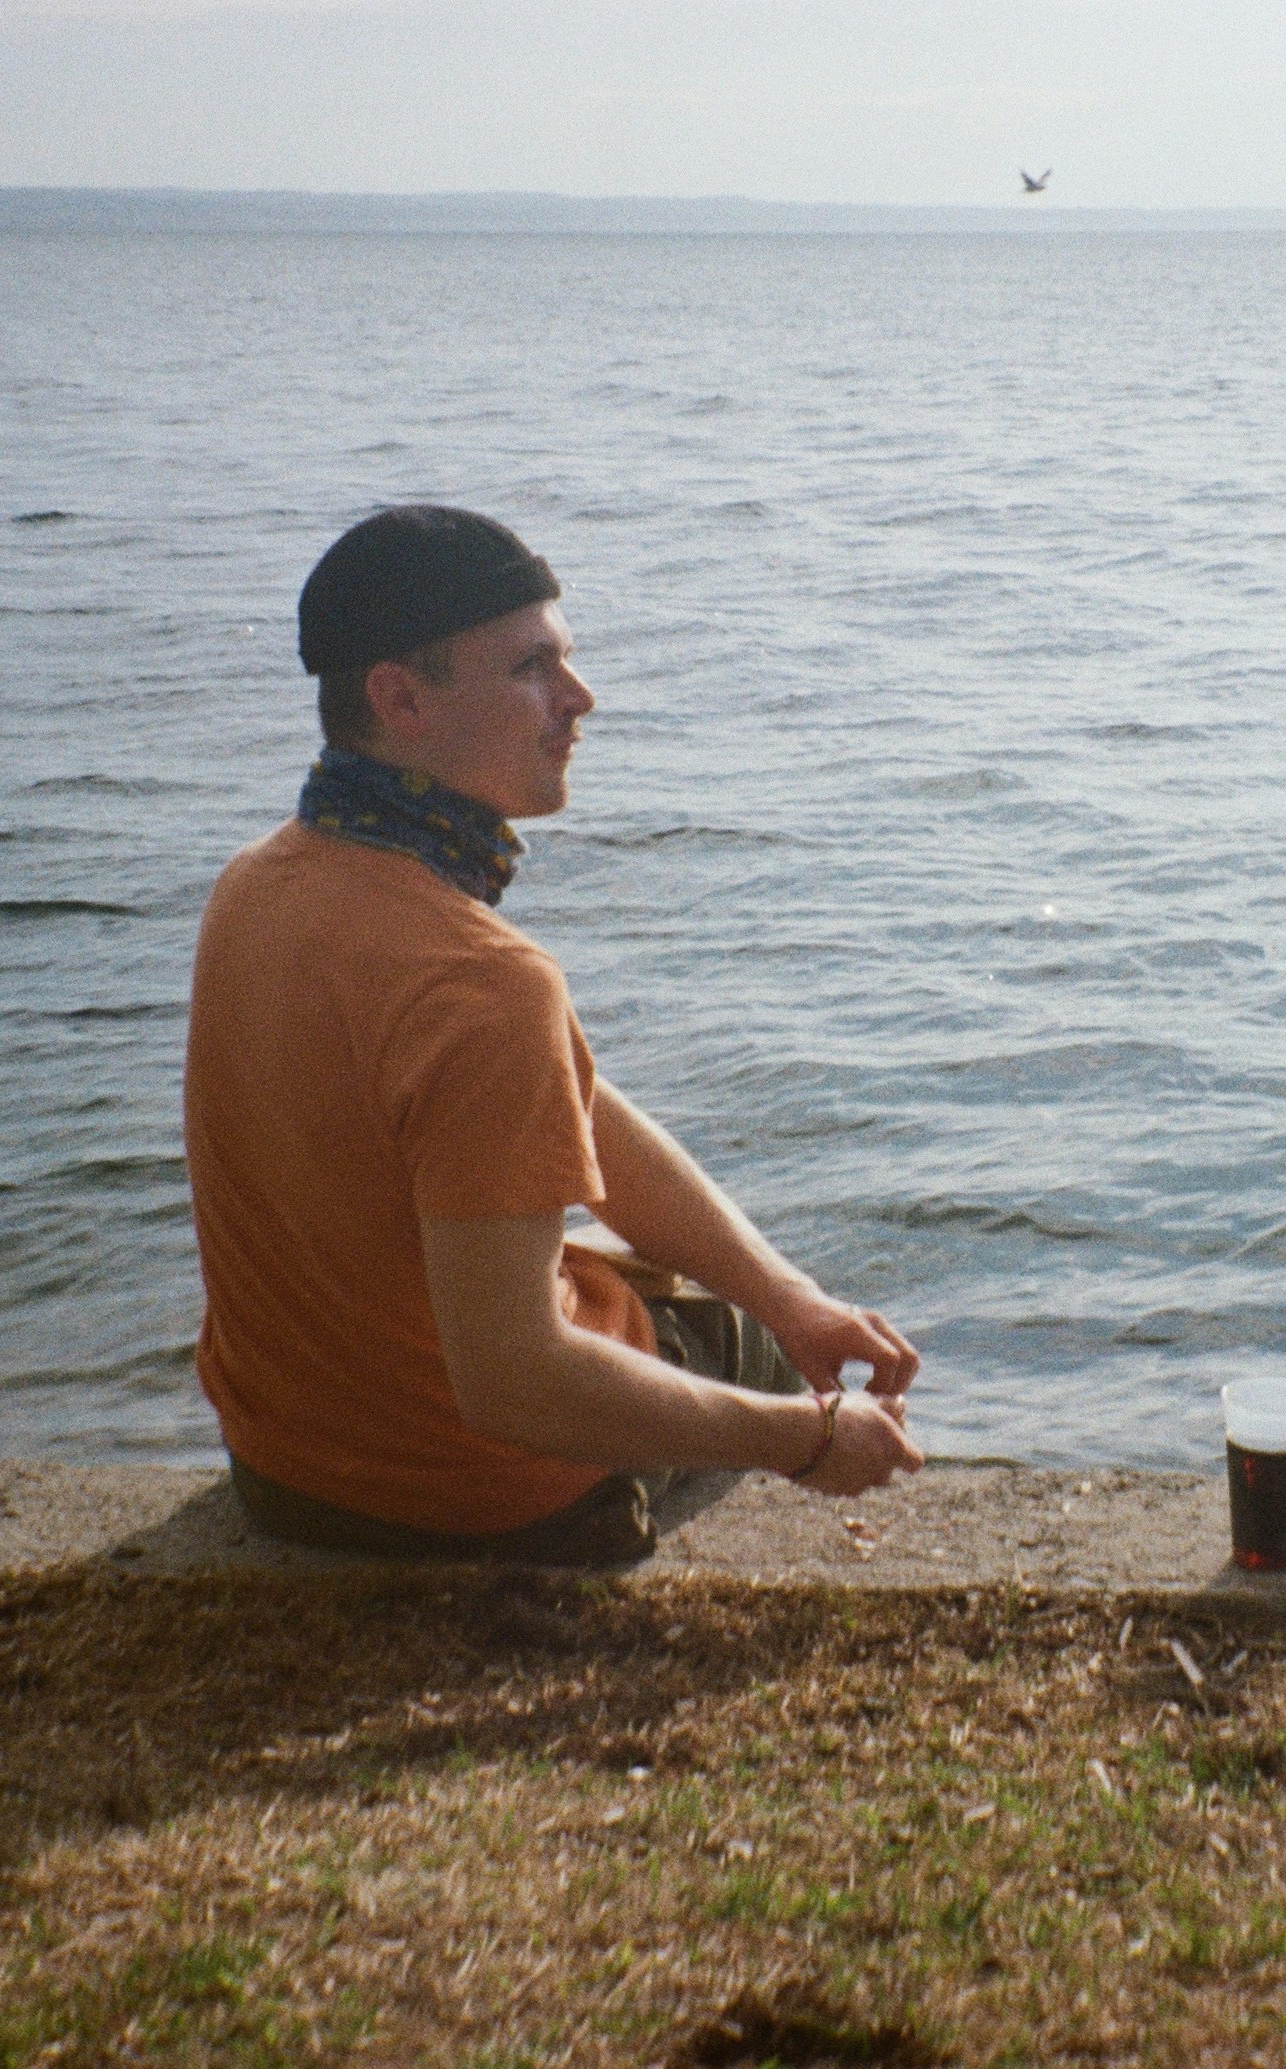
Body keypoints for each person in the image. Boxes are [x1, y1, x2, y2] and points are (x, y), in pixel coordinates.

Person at [182, 505, 924, 1564]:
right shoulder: (483, 984)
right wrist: (805, 1438)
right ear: (401, 697)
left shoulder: (258, 887)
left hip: (289, 1475)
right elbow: (514, 1377)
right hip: (488, 1499)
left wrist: (791, 1293)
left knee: (695, 1286)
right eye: (534, 667)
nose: (580, 699)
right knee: (727, 1341)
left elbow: (560, 1099)